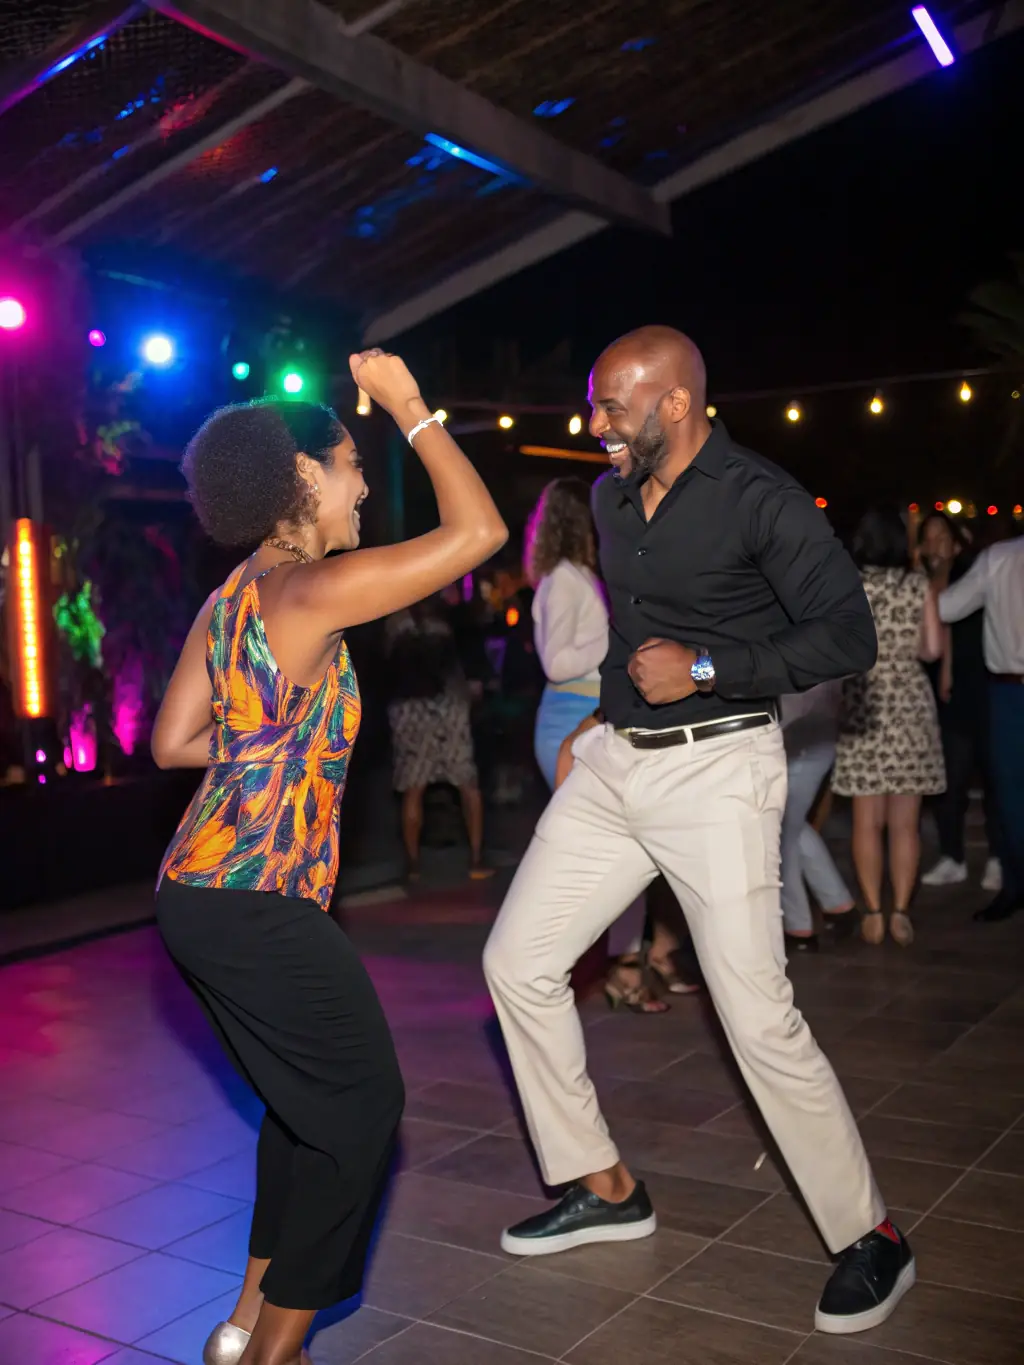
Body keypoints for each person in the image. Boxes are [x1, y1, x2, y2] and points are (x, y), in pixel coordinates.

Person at [483, 326, 915, 1337]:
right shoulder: (607, 496)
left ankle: (872, 1240)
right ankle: (606, 1186)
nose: (594, 427)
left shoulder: (759, 497)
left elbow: (845, 634)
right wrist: (598, 716)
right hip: (618, 763)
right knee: (518, 961)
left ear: (674, 405)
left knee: (756, 1014)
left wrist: (711, 667)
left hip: (721, 767)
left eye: (610, 408)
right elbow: (634, 633)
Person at [151, 352, 507, 1365]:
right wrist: (410, 406)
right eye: (350, 465)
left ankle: (242, 1326)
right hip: (258, 898)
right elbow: (478, 535)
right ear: (303, 477)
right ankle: (275, 1354)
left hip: (196, 889)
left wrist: (271, 743)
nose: (361, 484)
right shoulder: (313, 589)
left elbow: (173, 741)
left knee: (304, 1106)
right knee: (363, 1110)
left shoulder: (235, 596)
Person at [530, 477, 699, 1009]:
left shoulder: (580, 576)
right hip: (570, 721)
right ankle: (612, 966)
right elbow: (556, 663)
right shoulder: (563, 579)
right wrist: (616, 640)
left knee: (625, 850)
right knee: (611, 853)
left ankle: (631, 963)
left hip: (593, 717)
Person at [832, 509, 945, 946]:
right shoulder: (917, 586)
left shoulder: (849, 588)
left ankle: (873, 914)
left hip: (866, 702)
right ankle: (900, 911)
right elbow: (932, 648)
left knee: (866, 821)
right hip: (910, 707)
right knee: (905, 823)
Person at [939, 528, 1024, 921]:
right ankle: (1013, 884)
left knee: (1010, 793)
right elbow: (948, 609)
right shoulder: (997, 557)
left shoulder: (997, 557)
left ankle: (1014, 885)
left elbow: (946, 608)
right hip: (1006, 692)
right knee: (1008, 793)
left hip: (1007, 692)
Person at [917, 511, 1001, 892]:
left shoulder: (974, 572)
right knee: (949, 780)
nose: (935, 543)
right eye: (928, 536)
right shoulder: (919, 579)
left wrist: (949, 669)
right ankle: (953, 857)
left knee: (993, 777)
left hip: (980, 685)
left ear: (957, 540)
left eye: (941, 535)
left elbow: (953, 622)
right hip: (938, 695)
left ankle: (999, 858)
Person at [384, 595, 490, 881]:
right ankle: (477, 859)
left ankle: (413, 865)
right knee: (467, 783)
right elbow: (466, 656)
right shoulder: (445, 613)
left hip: (409, 705)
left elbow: (384, 665)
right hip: (448, 701)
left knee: (414, 787)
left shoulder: (393, 615)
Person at [779, 681, 857, 951]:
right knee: (791, 825)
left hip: (801, 736)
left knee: (782, 831)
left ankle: (798, 927)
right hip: (810, 732)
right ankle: (838, 904)